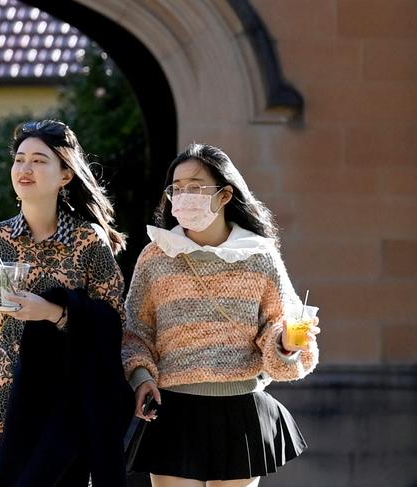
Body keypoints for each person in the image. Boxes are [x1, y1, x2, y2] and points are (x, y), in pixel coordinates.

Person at [121, 143, 321, 487]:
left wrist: (287, 342)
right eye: (177, 188)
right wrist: (141, 378)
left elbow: (282, 327)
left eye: (195, 186)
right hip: (174, 409)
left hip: (241, 409)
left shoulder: (259, 256)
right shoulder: (155, 256)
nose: (183, 196)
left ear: (226, 194)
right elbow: (135, 332)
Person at [0, 119, 133, 486]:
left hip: (63, 399)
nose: (25, 168)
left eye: (39, 160)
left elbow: (116, 321)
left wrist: (55, 313)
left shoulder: (88, 241)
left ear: (65, 175)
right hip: (0, 390)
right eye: (20, 159)